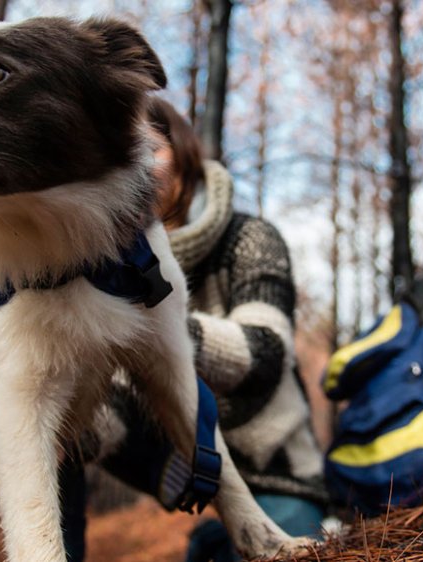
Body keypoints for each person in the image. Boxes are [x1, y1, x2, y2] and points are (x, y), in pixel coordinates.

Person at [61, 97, 327, 561]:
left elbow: (264, 354)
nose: (130, 161)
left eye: (146, 147)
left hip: (276, 477)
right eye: (114, 149)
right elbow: (120, 413)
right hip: (192, 493)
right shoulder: (100, 269)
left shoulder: (250, 238)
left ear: (184, 154)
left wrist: (153, 326)